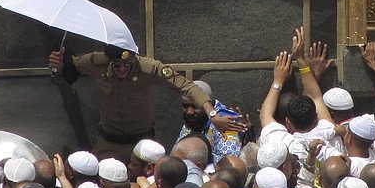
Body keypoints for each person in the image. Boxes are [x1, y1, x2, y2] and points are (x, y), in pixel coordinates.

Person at [49, 43, 235, 161]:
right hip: (108, 142)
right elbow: (67, 70)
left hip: (142, 141)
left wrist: (213, 114)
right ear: (108, 61)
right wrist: (58, 66)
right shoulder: (95, 63)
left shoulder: (150, 69)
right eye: (117, 65)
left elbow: (189, 87)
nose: (123, 70)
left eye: (128, 65)